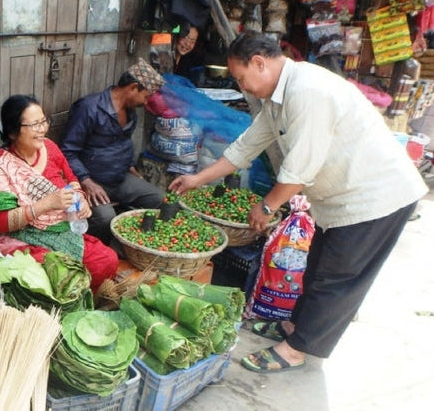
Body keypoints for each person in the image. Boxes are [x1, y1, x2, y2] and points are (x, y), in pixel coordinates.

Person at [168, 31, 428, 373]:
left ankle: (297, 349)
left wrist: (267, 207)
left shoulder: (307, 91)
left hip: (375, 198)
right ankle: (294, 326)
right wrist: (197, 179)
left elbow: (300, 170)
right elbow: (246, 146)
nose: (242, 87)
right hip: (339, 201)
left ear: (259, 63)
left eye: (241, 78)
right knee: (317, 268)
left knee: (336, 280)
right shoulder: (279, 97)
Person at [0, 95, 118, 290]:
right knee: (58, 277)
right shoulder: (1, 167)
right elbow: (2, 222)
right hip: (28, 238)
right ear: (13, 132)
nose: (42, 129)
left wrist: (81, 200)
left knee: (107, 261)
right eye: (34, 125)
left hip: (65, 232)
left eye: (44, 121)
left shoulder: (49, 147)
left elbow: (71, 180)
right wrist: (47, 204)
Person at [60, 57, 166, 244]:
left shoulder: (131, 111)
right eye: (146, 96)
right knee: (105, 218)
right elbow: (67, 152)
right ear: (133, 88)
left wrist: (131, 166)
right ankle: (96, 248)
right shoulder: (89, 108)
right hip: (91, 181)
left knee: (158, 199)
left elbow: (123, 143)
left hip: (119, 178)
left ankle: (139, 245)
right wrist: (86, 181)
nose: (146, 102)